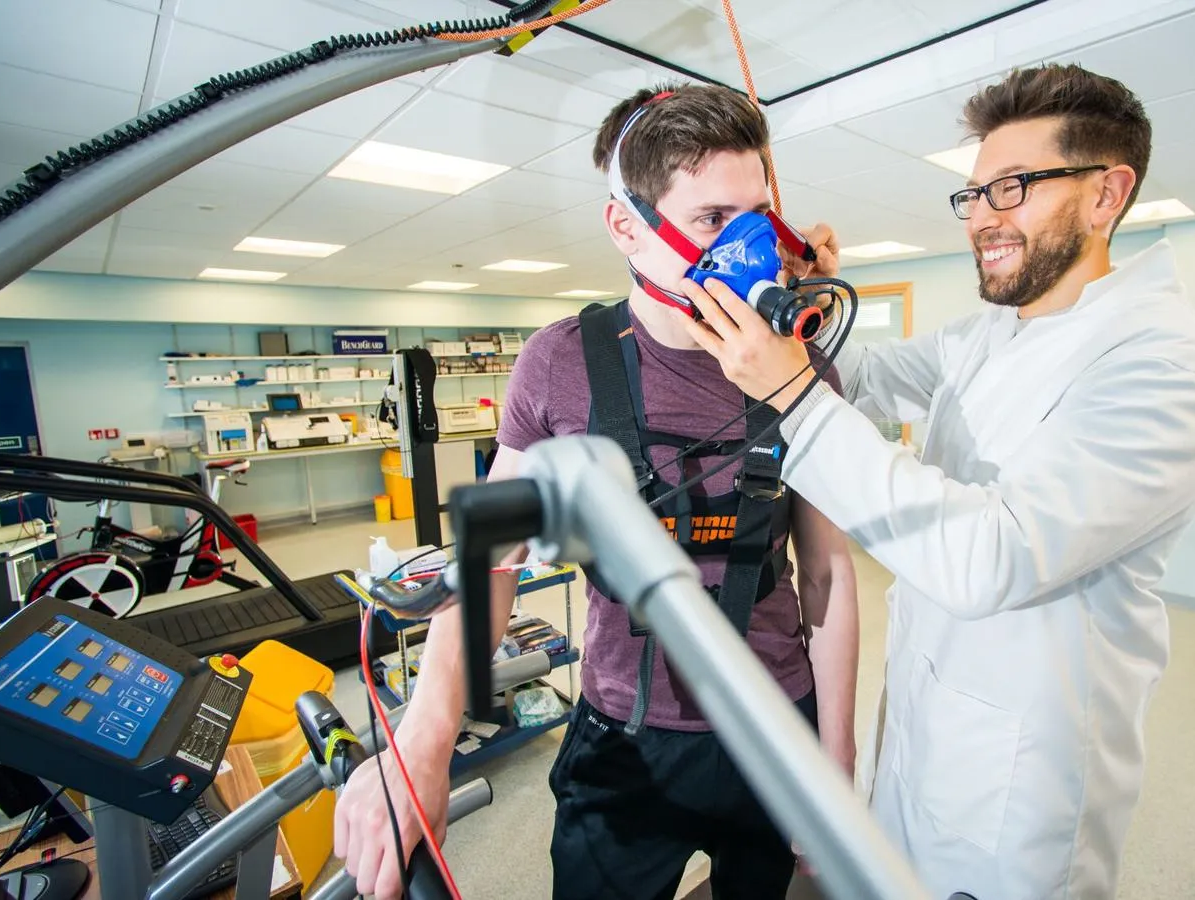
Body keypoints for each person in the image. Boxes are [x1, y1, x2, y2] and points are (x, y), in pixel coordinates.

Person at [682, 63, 1195, 898]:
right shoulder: (993, 331)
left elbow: (993, 557)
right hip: (928, 714)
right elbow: (857, 377)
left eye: (1011, 189)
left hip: (1026, 768)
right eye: (973, 195)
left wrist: (791, 389)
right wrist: (798, 306)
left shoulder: (1161, 363)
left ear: (1106, 194)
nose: (981, 219)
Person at [331, 83, 861, 900]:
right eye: (714, 220)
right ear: (626, 226)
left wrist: (836, 767)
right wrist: (425, 737)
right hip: (622, 736)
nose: (746, 245)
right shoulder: (560, 363)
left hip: (773, 729)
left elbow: (826, 578)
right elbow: (492, 565)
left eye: (757, 215)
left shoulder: (802, 364)